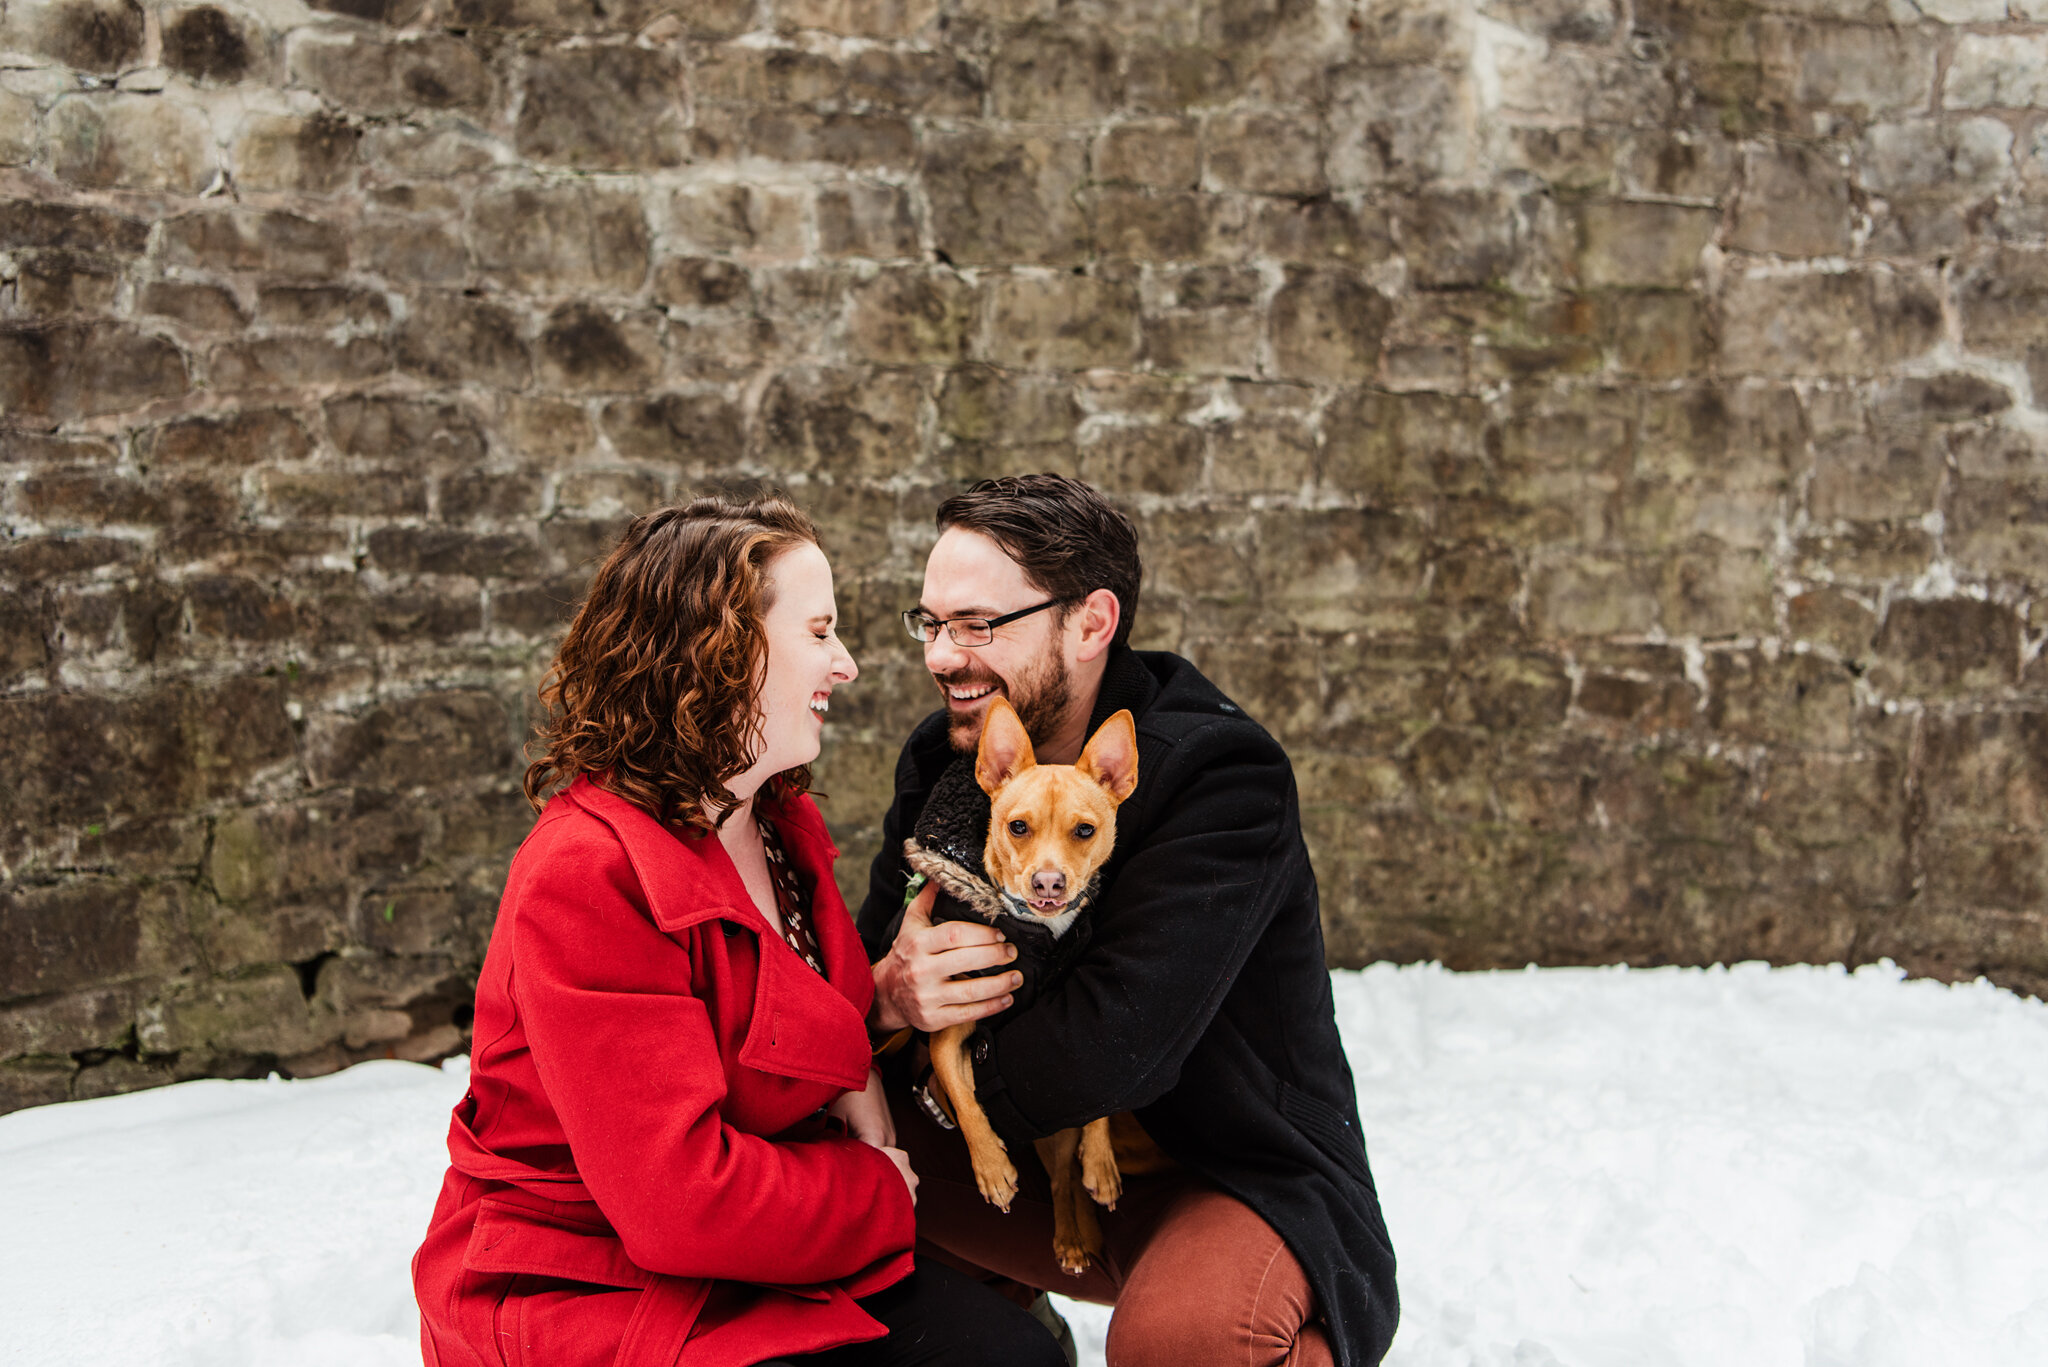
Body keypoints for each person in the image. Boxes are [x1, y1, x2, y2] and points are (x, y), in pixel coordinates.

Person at [413, 496, 1063, 1367]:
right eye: (821, 632)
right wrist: (874, 1186)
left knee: (1016, 1355)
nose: (849, 664)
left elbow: (798, 1027)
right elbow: (676, 1198)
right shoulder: (584, 872)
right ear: (725, 650)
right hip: (585, 1279)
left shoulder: (777, 823)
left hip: (753, 1250)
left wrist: (882, 1013)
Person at [858, 475, 1400, 1367]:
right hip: (1036, 1166)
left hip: (1219, 1176)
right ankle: (1008, 1338)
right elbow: (863, 969)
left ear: (1091, 623)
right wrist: (889, 995)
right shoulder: (949, 759)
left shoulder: (1220, 775)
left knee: (1181, 1341)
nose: (943, 656)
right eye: (932, 623)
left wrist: (942, 1043)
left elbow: (1112, 1049)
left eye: (979, 625)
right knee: (810, 1174)